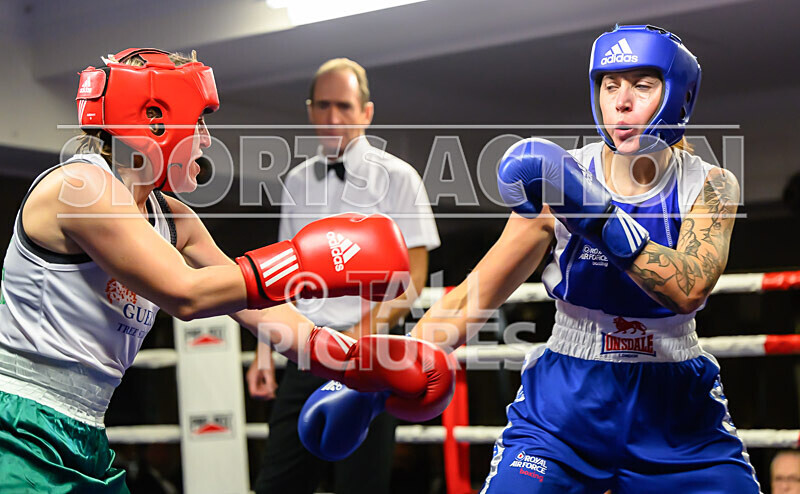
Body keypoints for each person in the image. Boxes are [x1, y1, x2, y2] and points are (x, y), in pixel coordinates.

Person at [301, 25, 763, 492]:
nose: (621, 102)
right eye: (609, 85)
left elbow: (689, 287)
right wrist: (383, 374)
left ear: (678, 96)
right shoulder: (561, 178)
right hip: (567, 400)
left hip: (676, 405)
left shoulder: (710, 185)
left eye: (642, 85)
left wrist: (594, 213)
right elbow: (473, 296)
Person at [0, 48, 453, 493]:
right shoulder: (80, 186)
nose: (205, 139)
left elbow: (259, 308)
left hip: (85, 435)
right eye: (197, 121)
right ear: (154, 118)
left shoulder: (172, 218)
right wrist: (305, 260)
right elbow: (187, 293)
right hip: (15, 427)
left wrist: (353, 363)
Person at [247, 57, 440, 494]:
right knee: (278, 482)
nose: (333, 117)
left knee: (362, 483)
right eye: (323, 105)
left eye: (345, 107)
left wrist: (353, 340)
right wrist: (264, 352)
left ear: (366, 113)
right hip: (304, 349)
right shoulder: (297, 181)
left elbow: (412, 280)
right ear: (310, 110)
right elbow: (278, 276)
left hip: (370, 356)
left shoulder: (399, 177)